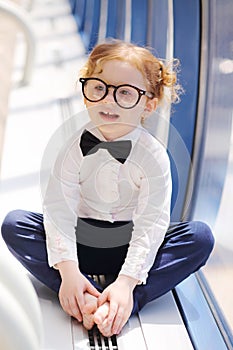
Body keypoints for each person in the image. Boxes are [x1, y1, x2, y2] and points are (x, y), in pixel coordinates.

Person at [1, 40, 214, 337]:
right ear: (86, 94)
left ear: (148, 104)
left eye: (125, 92)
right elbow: (59, 210)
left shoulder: (153, 157)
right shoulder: (73, 147)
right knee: (14, 224)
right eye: (99, 88)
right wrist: (69, 270)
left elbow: (151, 225)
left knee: (199, 238)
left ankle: (124, 301)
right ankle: (81, 293)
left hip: (132, 245)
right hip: (82, 242)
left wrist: (127, 281)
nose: (108, 101)